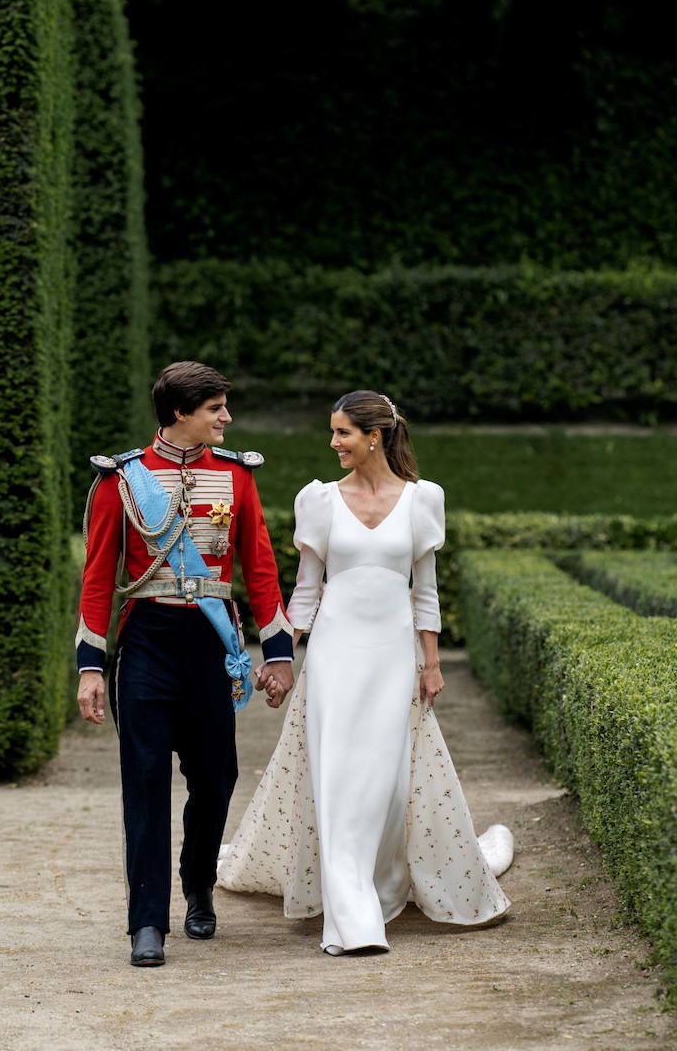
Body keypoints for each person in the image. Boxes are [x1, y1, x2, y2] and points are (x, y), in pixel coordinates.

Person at [218, 390, 512, 954]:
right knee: (337, 778)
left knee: (385, 779)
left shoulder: (425, 500)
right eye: (332, 433)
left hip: (392, 657)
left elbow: (424, 594)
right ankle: (352, 920)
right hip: (333, 656)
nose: (333, 444)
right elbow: (304, 592)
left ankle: (381, 883)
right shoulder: (319, 500)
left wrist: (431, 664)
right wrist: (280, 654)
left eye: (342, 433)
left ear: (374, 435)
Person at [76, 360, 294, 967]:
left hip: (210, 644)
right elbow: (98, 578)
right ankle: (147, 922)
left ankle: (198, 883)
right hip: (146, 641)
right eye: (216, 408)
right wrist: (91, 667)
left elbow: (260, 565)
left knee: (216, 778)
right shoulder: (121, 479)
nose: (227, 417)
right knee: (143, 784)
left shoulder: (236, 477)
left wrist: (276, 653)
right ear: (180, 413)